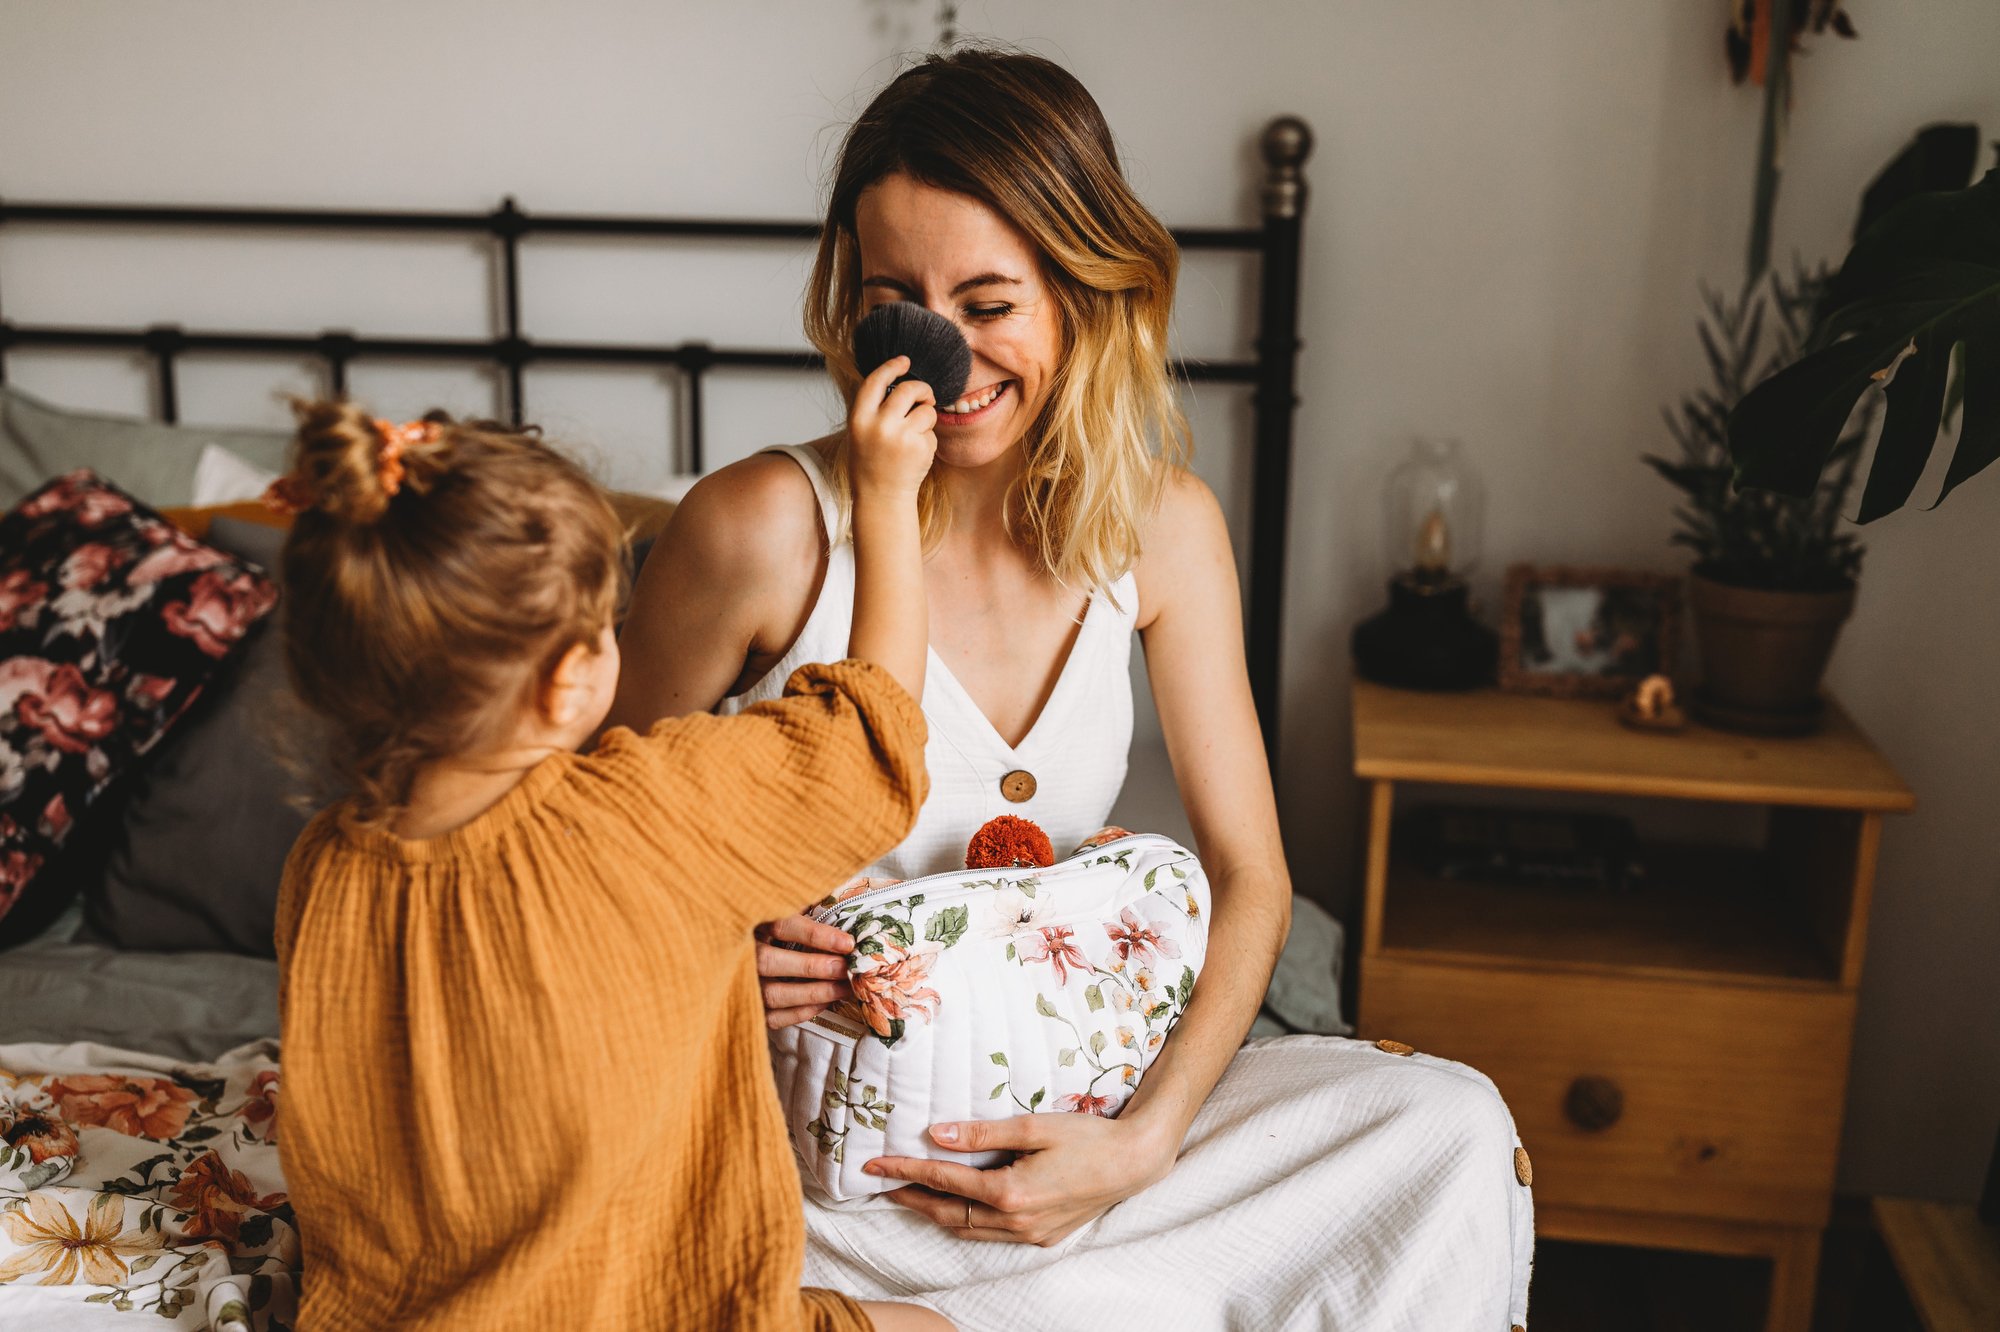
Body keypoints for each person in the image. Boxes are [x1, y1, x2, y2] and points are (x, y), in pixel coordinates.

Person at [611, 48, 1533, 1330]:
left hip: (1089, 1153)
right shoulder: (763, 527)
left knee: (1443, 1126)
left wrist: (1143, 1143)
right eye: (897, 302)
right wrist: (718, 951)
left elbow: (1253, 881)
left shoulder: (1161, 530)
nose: (943, 353)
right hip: (816, 1179)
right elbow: (573, 860)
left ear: (1083, 292)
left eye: (988, 304)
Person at [270, 387, 952, 1331]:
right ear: (567, 681)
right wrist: (885, 501)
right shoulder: (647, 810)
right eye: (608, 626)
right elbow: (872, 730)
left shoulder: (321, 865)